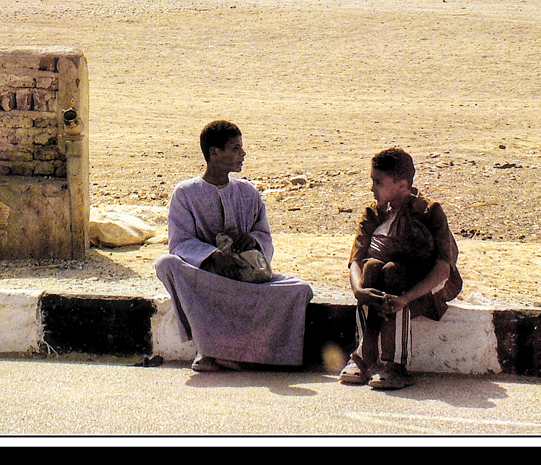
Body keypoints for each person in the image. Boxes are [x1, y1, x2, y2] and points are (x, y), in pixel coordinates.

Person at [155, 120, 314, 372]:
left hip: (246, 278)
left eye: (242, 147)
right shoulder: (185, 193)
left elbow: (264, 237)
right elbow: (180, 243)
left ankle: (244, 354)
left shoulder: (248, 192)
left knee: (300, 289)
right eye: (235, 148)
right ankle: (208, 350)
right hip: (207, 279)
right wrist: (212, 256)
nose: (243, 154)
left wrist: (252, 240)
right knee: (166, 264)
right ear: (214, 152)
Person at [340, 147, 463, 390]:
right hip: (384, 287)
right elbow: (356, 261)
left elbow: (442, 270)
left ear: (402, 184)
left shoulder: (429, 212)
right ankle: (364, 357)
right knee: (373, 267)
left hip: (421, 292)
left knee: (394, 272)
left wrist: (405, 298)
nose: (372, 188)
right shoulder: (373, 213)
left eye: (378, 182)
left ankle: (395, 364)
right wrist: (359, 291)